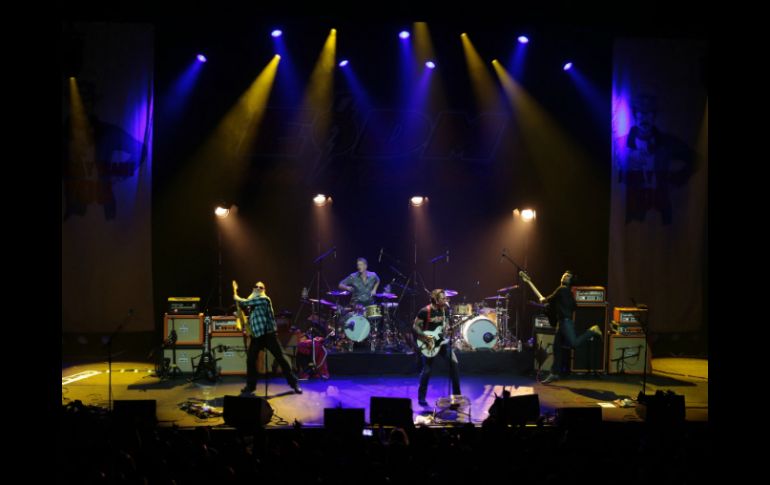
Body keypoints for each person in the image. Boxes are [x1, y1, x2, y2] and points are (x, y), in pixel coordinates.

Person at [233, 280, 302, 394]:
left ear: (263, 290)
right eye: (256, 287)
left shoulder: (264, 299)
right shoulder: (253, 303)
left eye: (261, 287)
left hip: (268, 334)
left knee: (281, 358)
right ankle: (250, 387)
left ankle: (294, 384)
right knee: (250, 360)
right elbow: (249, 314)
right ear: (253, 289)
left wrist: (236, 297)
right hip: (257, 336)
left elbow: (244, 303)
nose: (258, 289)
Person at [539, 271, 601, 384]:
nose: (565, 276)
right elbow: (573, 306)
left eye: (568, 276)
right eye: (564, 274)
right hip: (562, 323)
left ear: (570, 281)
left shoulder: (561, 289)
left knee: (574, 344)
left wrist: (544, 300)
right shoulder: (568, 293)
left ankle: (592, 331)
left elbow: (549, 299)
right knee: (557, 349)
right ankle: (554, 374)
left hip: (565, 323)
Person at [413, 289, 461, 407]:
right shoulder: (425, 311)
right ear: (435, 299)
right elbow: (415, 326)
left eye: (445, 298)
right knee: (427, 370)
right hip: (428, 344)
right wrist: (425, 336)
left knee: (454, 363)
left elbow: (446, 326)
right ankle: (421, 398)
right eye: (443, 298)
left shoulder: (445, 310)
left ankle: (457, 397)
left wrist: (449, 329)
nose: (445, 300)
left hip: (442, 343)